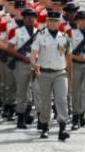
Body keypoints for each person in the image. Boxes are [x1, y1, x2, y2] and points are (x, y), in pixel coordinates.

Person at [30, 11, 72, 141]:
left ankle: (62, 127)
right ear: (47, 21)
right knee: (45, 101)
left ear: (59, 22)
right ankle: (44, 126)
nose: (53, 23)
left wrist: (69, 73)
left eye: (55, 21)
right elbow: (33, 54)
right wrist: (34, 64)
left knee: (61, 99)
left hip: (60, 73)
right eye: (51, 21)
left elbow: (65, 56)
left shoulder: (63, 37)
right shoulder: (40, 36)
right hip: (44, 73)